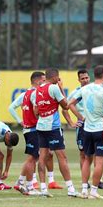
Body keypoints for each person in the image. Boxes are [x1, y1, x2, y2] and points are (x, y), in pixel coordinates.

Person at [9, 71, 62, 193]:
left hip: (28, 129)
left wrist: (20, 121)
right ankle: (30, 186)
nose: (45, 83)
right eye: (43, 80)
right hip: (33, 129)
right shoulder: (36, 93)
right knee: (32, 158)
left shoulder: (25, 94)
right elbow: (37, 111)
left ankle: (20, 182)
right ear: (38, 81)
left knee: (34, 156)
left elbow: (11, 107)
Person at [69, 65, 103, 199]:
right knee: (99, 161)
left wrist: (80, 117)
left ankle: (84, 190)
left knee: (86, 159)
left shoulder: (84, 89)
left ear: (93, 75)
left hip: (86, 129)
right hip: (100, 129)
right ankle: (94, 191)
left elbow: (70, 104)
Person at [35, 68, 80, 198]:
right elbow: (66, 106)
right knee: (62, 157)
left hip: (41, 126)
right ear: (54, 77)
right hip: (53, 127)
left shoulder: (38, 89)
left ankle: (43, 188)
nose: (58, 80)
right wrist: (60, 88)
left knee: (42, 157)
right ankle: (71, 189)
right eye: (58, 78)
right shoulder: (54, 88)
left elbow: (36, 111)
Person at [64, 69, 103, 190]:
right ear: (78, 80)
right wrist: (75, 121)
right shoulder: (76, 92)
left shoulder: (97, 89)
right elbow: (65, 108)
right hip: (84, 126)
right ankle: (86, 182)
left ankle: (98, 180)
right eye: (82, 78)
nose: (85, 80)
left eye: (86, 78)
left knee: (98, 154)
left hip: (97, 124)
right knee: (84, 153)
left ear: (90, 78)